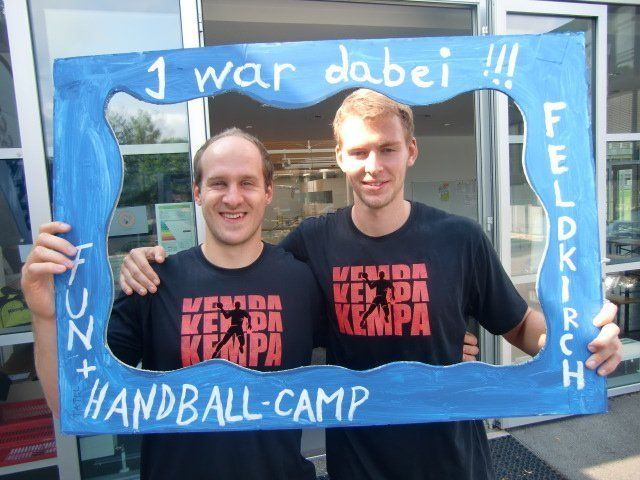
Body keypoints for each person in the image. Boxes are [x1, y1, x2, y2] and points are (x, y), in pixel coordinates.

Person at [119, 89, 622, 480]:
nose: (374, 166)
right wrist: (146, 263)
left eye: (387, 149)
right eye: (359, 151)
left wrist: (582, 343)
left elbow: (520, 326)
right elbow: (241, 271)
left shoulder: (459, 238)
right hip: (356, 466)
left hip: (452, 462)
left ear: (411, 151)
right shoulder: (311, 244)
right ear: (340, 157)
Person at [21, 128, 321, 480]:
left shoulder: (302, 281)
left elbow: (362, 360)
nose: (233, 197)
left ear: (268, 191)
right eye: (218, 183)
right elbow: (71, 402)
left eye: (247, 183)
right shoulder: (153, 282)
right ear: (197, 192)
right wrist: (45, 315)